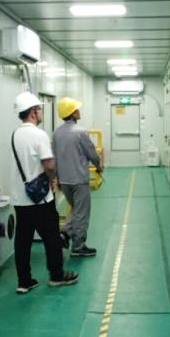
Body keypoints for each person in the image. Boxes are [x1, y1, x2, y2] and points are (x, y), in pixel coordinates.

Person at [9, 91, 79, 294]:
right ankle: (57, 276)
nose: (41, 112)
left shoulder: (15, 134)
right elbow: (49, 165)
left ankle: (24, 281)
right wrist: (52, 179)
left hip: (20, 197)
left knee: (22, 241)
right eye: (39, 109)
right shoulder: (39, 135)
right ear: (33, 112)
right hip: (40, 199)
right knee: (52, 237)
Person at [52, 96, 102, 257]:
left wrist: (58, 178)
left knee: (76, 209)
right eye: (76, 109)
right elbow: (91, 153)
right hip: (79, 180)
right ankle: (78, 246)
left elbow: (54, 157)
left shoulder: (56, 133)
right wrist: (99, 166)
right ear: (72, 113)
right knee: (82, 213)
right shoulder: (80, 132)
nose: (79, 111)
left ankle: (65, 233)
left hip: (64, 180)